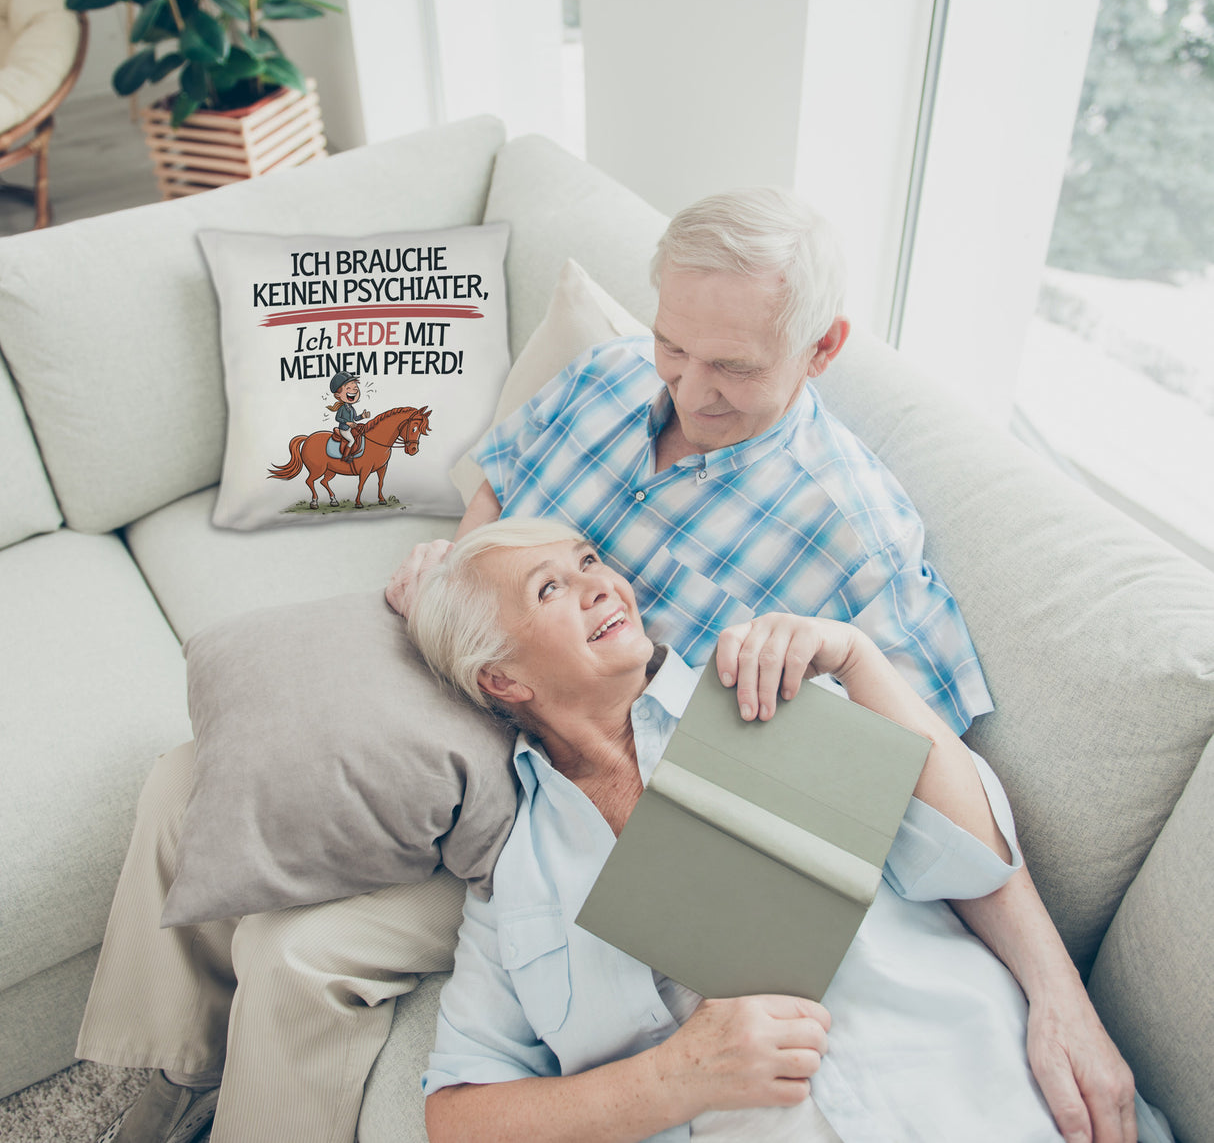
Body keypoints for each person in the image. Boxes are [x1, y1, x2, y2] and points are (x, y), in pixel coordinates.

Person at [80, 189, 1131, 1143]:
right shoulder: (607, 377)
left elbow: (926, 783)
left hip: (576, 782)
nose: (687, 386)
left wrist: (1057, 992)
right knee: (192, 775)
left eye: (732, 367)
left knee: (299, 952)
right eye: (674, 344)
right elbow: (499, 489)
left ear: (820, 349)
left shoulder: (853, 537)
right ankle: (155, 1080)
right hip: (485, 675)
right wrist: (457, 572)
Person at [407, 518, 1161, 1143]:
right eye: (550, 588)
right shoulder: (516, 880)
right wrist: (672, 1079)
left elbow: (973, 858)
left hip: (986, 1096)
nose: (601, 584)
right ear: (502, 679)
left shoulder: (762, 691)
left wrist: (859, 660)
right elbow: (458, 1116)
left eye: (589, 561)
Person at [327, 370, 369, 460]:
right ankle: (345, 456)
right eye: (348, 388)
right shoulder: (342, 408)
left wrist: (362, 416)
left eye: (355, 386)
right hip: (344, 429)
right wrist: (347, 423)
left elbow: (355, 418)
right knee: (352, 440)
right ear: (338, 395)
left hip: (351, 428)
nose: (355, 389)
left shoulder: (351, 408)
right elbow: (337, 418)